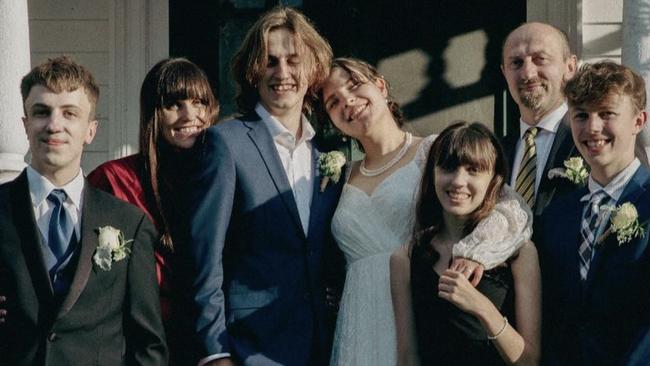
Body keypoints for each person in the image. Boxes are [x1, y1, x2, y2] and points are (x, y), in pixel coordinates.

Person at [319, 58, 532, 366]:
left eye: (354, 85)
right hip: (359, 317)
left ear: (380, 86)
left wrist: (477, 249)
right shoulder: (339, 177)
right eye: (333, 101)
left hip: (419, 311)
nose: (348, 101)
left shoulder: (432, 153)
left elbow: (512, 209)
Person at [178, 7, 340, 366]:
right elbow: (204, 259)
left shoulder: (327, 153)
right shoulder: (225, 143)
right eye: (270, 62)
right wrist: (216, 353)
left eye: (293, 60)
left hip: (324, 346)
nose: (282, 73)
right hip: (249, 347)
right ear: (253, 71)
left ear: (312, 69)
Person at [0, 56, 167, 365]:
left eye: (69, 113)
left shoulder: (129, 223)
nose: (54, 125)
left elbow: (147, 345)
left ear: (91, 130)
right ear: (25, 125)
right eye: (41, 112)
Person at [87, 57, 219, 365]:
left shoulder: (223, 180)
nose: (190, 115)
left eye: (199, 102)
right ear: (153, 113)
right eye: (174, 104)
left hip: (211, 345)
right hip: (135, 348)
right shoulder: (112, 180)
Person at [390, 121, 541, 366]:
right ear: (433, 173)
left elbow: (529, 361)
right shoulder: (404, 258)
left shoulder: (520, 254)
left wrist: (482, 307)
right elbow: (407, 356)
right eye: (448, 167)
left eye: (473, 170)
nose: (459, 181)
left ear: (494, 180)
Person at [536, 61, 650, 365]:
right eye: (581, 115)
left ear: (639, 121)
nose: (592, 128)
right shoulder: (557, 216)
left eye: (607, 113)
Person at [500, 22, 580, 216]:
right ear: (504, 72)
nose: (528, 73)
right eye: (516, 63)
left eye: (540, 59)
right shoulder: (495, 152)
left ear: (569, 67)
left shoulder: (592, 141)